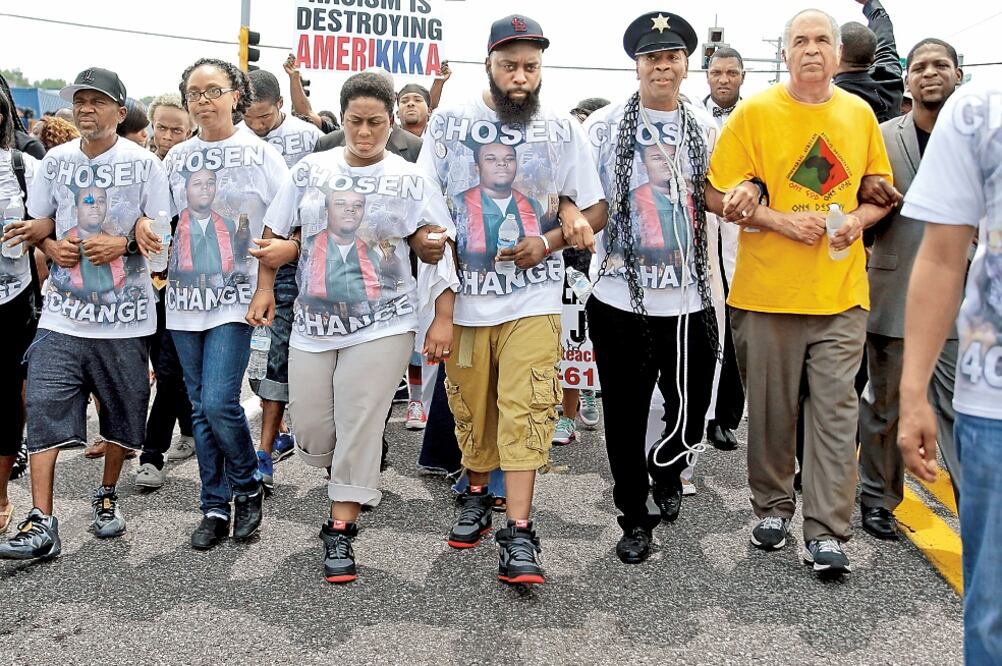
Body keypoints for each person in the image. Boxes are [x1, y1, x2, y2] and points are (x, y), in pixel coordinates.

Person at [417, 14, 605, 585]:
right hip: (465, 299)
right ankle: (477, 491)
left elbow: (594, 205)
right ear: (488, 65)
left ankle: (520, 533)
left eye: (530, 66)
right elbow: (425, 205)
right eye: (509, 66)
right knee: (474, 406)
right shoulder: (449, 123)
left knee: (527, 409)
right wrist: (424, 242)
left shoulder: (560, 128)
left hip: (535, 299)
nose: (520, 77)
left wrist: (551, 238)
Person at [706, 9, 894, 578]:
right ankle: (772, 508)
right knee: (772, 412)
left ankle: (828, 531)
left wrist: (856, 220)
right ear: (783, 53)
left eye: (822, 41)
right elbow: (715, 195)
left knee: (836, 414)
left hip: (840, 294)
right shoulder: (756, 113)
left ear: (838, 55)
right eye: (800, 41)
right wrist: (780, 221)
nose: (811, 50)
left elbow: (878, 194)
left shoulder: (859, 114)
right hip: (766, 295)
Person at [249, 70, 458, 584]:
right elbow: (276, 230)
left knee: (361, 420)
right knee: (316, 431)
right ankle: (348, 467)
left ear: (391, 122)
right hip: (313, 324)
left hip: (384, 322)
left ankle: (340, 527)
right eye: (355, 122)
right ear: (341, 120)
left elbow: (435, 242)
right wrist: (264, 282)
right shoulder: (310, 170)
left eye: (376, 124)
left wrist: (439, 300)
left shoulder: (410, 178)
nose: (365, 134)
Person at [0, 67, 169, 560]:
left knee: (122, 412)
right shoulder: (53, 161)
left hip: (125, 317)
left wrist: (125, 242)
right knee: (45, 406)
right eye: (79, 101)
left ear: (120, 110)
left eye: (97, 101)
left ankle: (108, 492)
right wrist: (51, 244)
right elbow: (43, 220)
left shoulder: (143, 164)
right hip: (62, 314)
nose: (86, 109)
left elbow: (161, 236)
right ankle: (42, 520)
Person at [582, 11, 719, 564]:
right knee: (625, 410)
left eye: (672, 57)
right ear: (637, 65)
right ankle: (634, 514)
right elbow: (581, 194)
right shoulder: (606, 126)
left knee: (692, 410)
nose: (662, 66)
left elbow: (715, 192)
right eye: (651, 58)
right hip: (620, 297)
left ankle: (667, 466)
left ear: (687, 65)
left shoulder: (708, 127)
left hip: (692, 297)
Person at [154, 58, 289, 551]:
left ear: (237, 96)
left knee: (217, 401)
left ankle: (248, 483)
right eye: (195, 93)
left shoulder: (260, 155)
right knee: (198, 405)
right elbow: (159, 218)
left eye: (213, 91)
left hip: (236, 297)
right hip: (185, 298)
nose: (203, 100)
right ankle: (213, 504)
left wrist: (265, 285)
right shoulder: (175, 159)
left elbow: (283, 225)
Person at [897, 74, 1002, 664]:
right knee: (995, 609)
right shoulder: (979, 108)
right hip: (993, 404)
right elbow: (939, 256)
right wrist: (915, 395)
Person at [857, 38, 963, 541]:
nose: (929, 73)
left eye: (940, 65)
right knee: (886, 403)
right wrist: (865, 199)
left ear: (958, 75)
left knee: (965, 411)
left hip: (966, 302)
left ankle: (978, 508)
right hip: (895, 290)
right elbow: (851, 207)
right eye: (918, 67)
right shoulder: (880, 136)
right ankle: (877, 499)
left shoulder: (982, 137)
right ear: (906, 80)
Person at [241, 68, 323, 490]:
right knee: (254, 357)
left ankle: (266, 449)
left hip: (293, 261)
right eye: (248, 117)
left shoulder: (307, 138)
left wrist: (293, 242)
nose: (256, 126)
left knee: (279, 353)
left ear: (281, 107)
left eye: (263, 117)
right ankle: (272, 437)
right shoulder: (235, 141)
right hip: (243, 261)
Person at [133, 92, 196, 492]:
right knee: (167, 371)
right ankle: (189, 428)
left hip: (185, 287)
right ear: (151, 127)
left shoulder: (195, 170)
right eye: (162, 127)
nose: (169, 135)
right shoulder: (139, 168)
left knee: (170, 371)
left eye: (178, 128)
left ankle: (151, 456)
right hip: (141, 286)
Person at [552, 96, 609, 447]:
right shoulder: (560, 167)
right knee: (565, 341)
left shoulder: (608, 168)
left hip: (596, 267)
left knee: (585, 342)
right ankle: (567, 408)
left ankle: (585, 393)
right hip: (560, 263)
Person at [0, 84, 41, 533]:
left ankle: (1, 497)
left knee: (7, 397)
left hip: (12, 300)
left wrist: (36, 234)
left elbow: (51, 224)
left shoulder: (24, 167)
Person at [702, 46, 746, 453]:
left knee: (736, 327)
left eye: (731, 73)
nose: (724, 79)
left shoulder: (757, 119)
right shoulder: (691, 119)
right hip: (701, 232)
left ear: (742, 77)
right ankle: (700, 410)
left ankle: (725, 416)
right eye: (717, 72)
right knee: (706, 325)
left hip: (742, 235)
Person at [314, 69, 423, 163]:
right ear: (342, 118)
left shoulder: (418, 149)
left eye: (374, 122)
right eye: (355, 120)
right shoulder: (326, 145)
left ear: (394, 98)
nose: (364, 132)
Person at [834, 0, 904, 123]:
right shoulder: (891, 79)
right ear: (873, 57)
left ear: (837, 53)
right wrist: (871, 3)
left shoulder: (827, 100)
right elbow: (885, 41)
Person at [148, 93, 193, 160]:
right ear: (153, 127)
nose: (167, 137)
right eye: (161, 128)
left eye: (177, 131)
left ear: (188, 134)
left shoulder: (199, 167)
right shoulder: (141, 166)